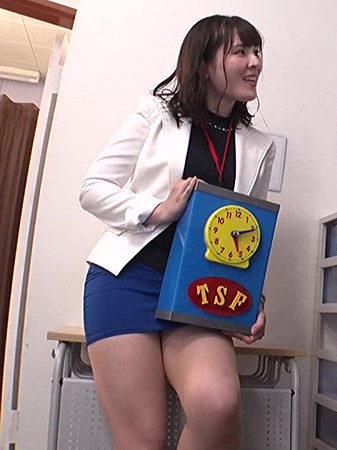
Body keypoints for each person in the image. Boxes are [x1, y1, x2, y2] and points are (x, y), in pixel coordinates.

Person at [78, 15, 276, 450]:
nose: (255, 62)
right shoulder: (155, 114)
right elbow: (92, 188)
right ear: (204, 63)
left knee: (218, 404)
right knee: (143, 440)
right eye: (241, 52)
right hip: (128, 280)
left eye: (257, 52)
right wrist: (156, 209)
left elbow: (249, 237)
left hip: (199, 294)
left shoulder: (260, 146)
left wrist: (252, 302)